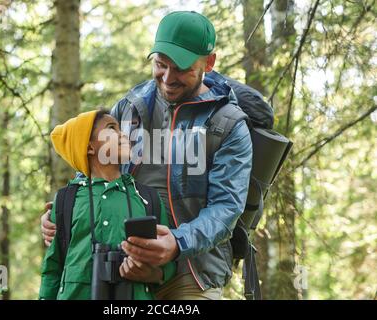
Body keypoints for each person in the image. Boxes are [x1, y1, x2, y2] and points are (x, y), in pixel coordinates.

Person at [41, 11, 252, 300]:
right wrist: (62, 215)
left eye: (180, 68)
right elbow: (91, 171)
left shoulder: (227, 124)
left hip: (191, 273)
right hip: (120, 267)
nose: (167, 78)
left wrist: (176, 243)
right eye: (160, 65)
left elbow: (226, 207)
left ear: (209, 63)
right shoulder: (129, 108)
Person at [39, 110, 175, 300]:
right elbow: (52, 269)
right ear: (90, 147)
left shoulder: (148, 197)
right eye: (112, 128)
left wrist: (153, 274)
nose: (124, 134)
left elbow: (167, 262)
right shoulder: (65, 200)